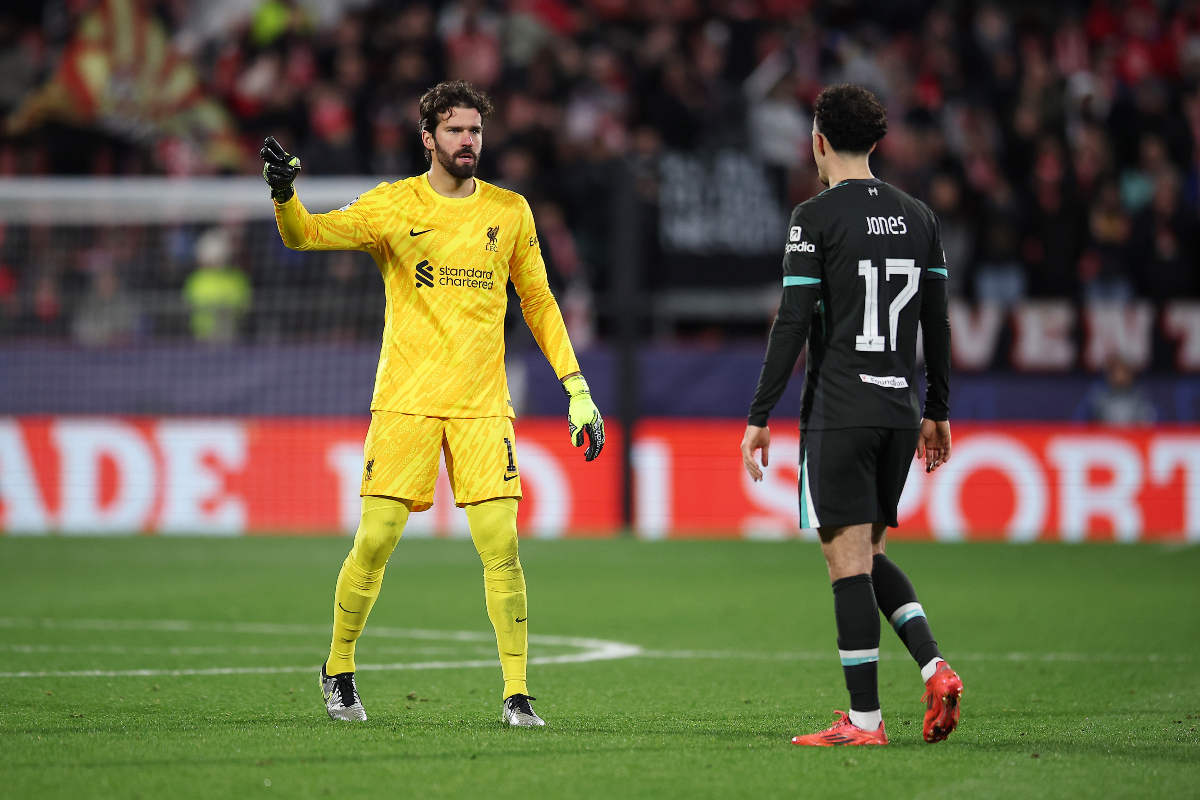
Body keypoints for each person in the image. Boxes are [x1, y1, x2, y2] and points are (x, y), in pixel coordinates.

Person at [262, 80, 604, 728]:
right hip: (407, 401)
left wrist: (577, 390)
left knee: (501, 543)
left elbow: (539, 303)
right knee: (377, 537)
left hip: (481, 404)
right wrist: (285, 195)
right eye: (455, 131)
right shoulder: (394, 206)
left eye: (475, 130)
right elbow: (304, 236)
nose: (468, 140)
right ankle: (338, 669)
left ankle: (517, 692)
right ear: (428, 138)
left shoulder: (510, 211)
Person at [739, 84, 962, 747]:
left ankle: (864, 721)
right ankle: (935, 665)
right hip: (898, 409)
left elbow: (794, 322)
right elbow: (939, 325)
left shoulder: (815, 216)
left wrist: (759, 412)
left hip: (839, 409)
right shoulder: (919, 216)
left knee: (846, 564)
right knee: (872, 552)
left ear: (818, 142)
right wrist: (939, 409)